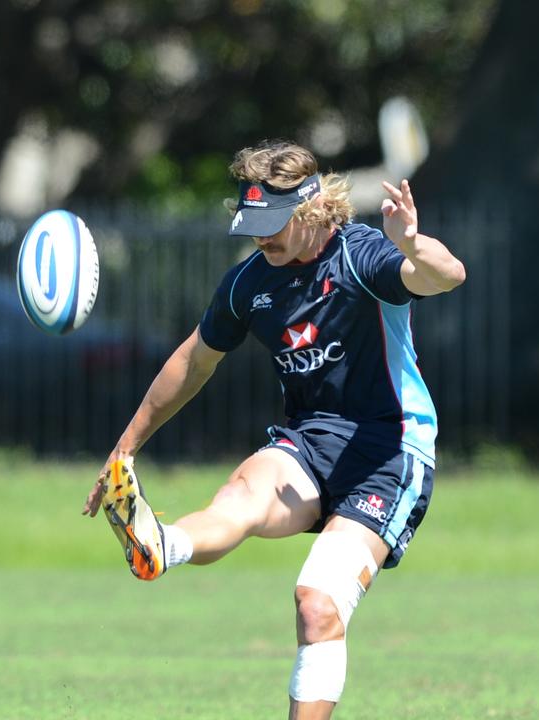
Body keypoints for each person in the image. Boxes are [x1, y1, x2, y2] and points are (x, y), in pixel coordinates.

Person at [83, 139, 465, 719]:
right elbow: (192, 362)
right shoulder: (248, 285)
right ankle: (163, 544)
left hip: (389, 449)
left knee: (317, 605)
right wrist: (124, 451)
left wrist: (411, 243)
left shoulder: (361, 256)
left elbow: (446, 275)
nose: (261, 236)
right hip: (310, 441)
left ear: (311, 209)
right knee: (240, 497)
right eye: (252, 222)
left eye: (272, 222)